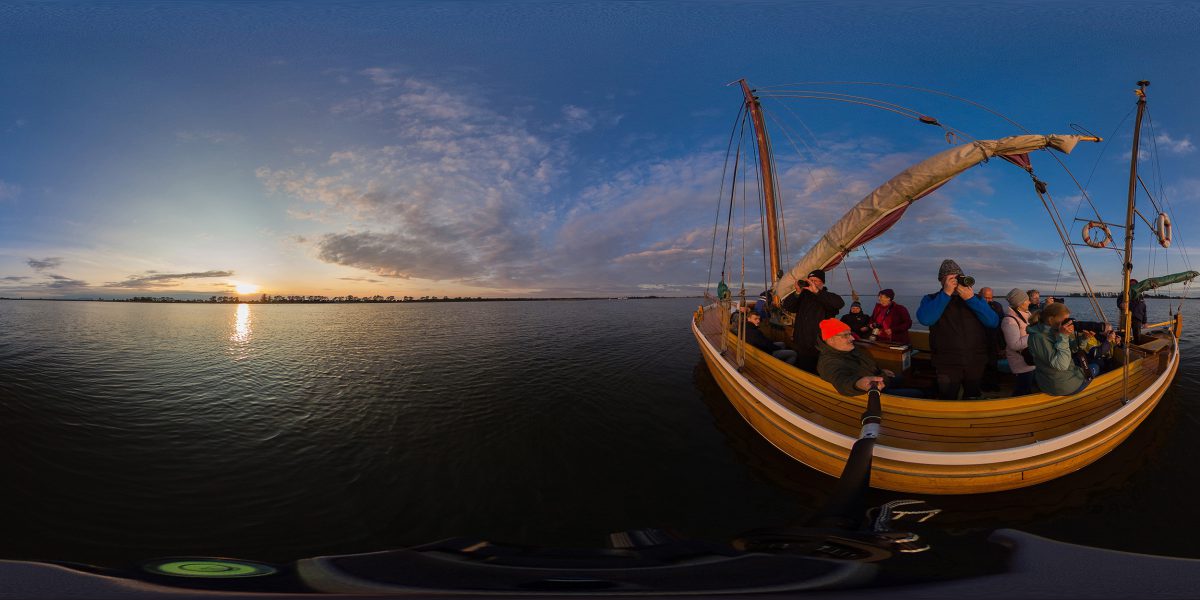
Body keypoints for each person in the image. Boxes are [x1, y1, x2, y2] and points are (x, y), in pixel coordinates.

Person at [916, 259, 999, 400]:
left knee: (972, 398)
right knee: (947, 399)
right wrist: (946, 294)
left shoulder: (976, 299)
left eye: (958, 278)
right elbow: (926, 319)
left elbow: (993, 322)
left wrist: (970, 299)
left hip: (975, 361)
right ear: (942, 281)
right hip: (946, 362)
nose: (955, 282)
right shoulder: (931, 299)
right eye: (951, 278)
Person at [816, 318, 922, 397]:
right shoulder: (829, 362)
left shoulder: (848, 349)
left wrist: (881, 371)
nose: (852, 338)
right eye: (846, 335)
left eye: (850, 334)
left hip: (878, 378)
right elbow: (842, 381)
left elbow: (866, 366)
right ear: (831, 340)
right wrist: (858, 384)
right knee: (918, 394)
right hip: (872, 392)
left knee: (902, 378)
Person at [781, 269, 845, 373]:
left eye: (815, 280)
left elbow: (839, 303)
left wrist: (817, 292)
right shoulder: (802, 296)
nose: (812, 283)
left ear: (822, 283)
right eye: (810, 280)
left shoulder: (827, 297)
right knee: (804, 369)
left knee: (819, 371)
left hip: (820, 344)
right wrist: (797, 292)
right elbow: (787, 306)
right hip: (802, 342)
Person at [1026, 302, 1093, 395]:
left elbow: (1072, 349)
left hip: (1062, 377)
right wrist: (1063, 336)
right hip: (1060, 384)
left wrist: (1084, 338)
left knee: (1086, 367)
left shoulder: (1054, 330)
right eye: (1064, 320)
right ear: (1051, 320)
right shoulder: (1038, 338)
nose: (1067, 323)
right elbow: (1062, 365)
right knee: (1095, 367)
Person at [1000, 288, 1037, 395]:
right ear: (1020, 303)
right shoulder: (1009, 320)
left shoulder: (1027, 314)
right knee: (1022, 390)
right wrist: (1035, 335)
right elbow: (1014, 345)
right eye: (1027, 300)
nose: (1029, 302)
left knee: (1029, 387)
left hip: (1031, 358)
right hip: (1021, 362)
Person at [979, 287, 1006, 391]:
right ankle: (982, 385)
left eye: (990, 298)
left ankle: (994, 384)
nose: (988, 300)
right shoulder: (975, 306)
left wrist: (1002, 345)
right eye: (985, 298)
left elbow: (1001, 325)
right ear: (979, 295)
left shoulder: (997, 306)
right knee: (981, 365)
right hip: (979, 341)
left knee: (993, 363)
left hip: (993, 340)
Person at [1117, 279, 1147, 344]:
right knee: (1123, 334)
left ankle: (1137, 346)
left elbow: (1144, 309)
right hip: (1126, 317)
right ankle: (1122, 345)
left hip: (1137, 318)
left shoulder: (1140, 296)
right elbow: (1119, 301)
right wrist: (1121, 304)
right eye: (1131, 285)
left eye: (1134, 285)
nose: (1133, 286)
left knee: (1137, 335)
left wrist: (1145, 322)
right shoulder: (1124, 293)